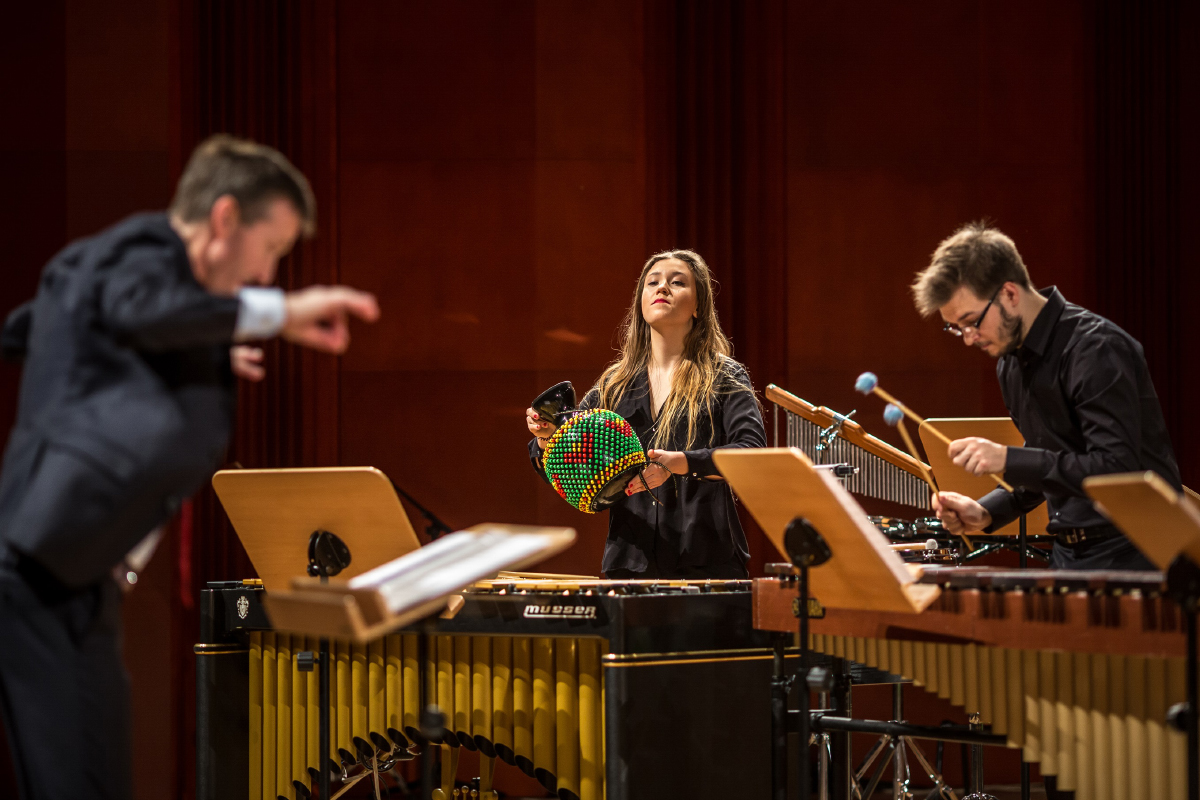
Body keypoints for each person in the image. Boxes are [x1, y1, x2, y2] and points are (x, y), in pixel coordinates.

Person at [0, 134, 380, 800]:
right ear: (226, 218)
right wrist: (281, 314)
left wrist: (191, 356)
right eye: (271, 250)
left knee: (97, 775)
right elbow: (112, 310)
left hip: (81, 581)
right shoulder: (136, 253)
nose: (267, 275)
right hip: (33, 573)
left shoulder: (146, 304)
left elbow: (88, 327)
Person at [910, 222, 1178, 571]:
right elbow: (1055, 463)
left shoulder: (1095, 348)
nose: (968, 338)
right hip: (1069, 553)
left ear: (1009, 293)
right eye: (956, 328)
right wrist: (988, 511)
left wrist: (1009, 459)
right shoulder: (1010, 363)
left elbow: (1116, 470)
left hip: (1138, 552)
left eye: (971, 321)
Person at [525, 249, 766, 579]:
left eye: (677, 282)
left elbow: (752, 454)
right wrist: (546, 439)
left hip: (707, 563)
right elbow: (568, 471)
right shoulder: (614, 385)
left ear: (698, 306)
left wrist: (679, 462)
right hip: (629, 566)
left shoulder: (725, 377)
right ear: (641, 303)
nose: (662, 288)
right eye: (652, 282)